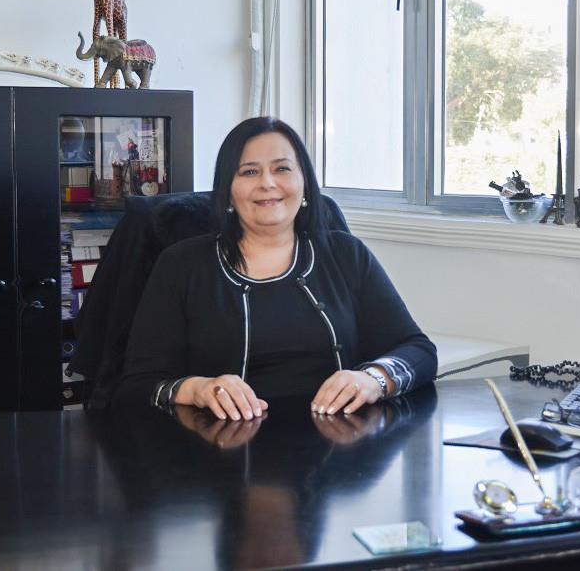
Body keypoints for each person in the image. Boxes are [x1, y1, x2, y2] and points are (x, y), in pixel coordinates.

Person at [110, 116, 436, 419]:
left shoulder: (346, 254)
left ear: (304, 183)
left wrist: (374, 378)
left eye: (282, 169)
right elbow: (136, 387)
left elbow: (418, 350)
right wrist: (197, 389)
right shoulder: (182, 265)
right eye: (249, 172)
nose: (267, 183)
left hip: (341, 447)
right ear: (227, 191)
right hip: (219, 450)